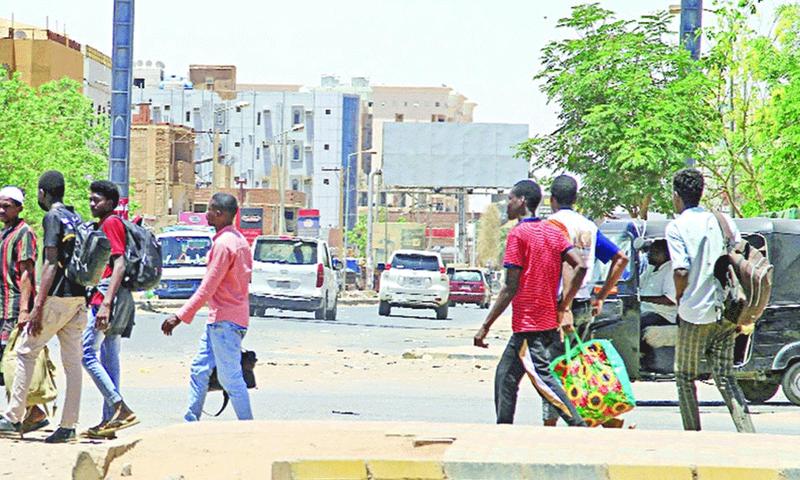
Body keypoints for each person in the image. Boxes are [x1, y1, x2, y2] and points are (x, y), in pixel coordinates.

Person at [473, 180, 587, 427]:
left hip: (530, 323)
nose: (508, 204)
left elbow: (510, 286)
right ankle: (504, 429)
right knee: (506, 376)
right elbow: (581, 264)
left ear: (522, 201)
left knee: (543, 379)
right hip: (543, 321)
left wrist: (486, 325)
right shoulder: (552, 231)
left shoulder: (518, 235)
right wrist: (563, 303)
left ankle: (578, 424)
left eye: (511, 199)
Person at [666, 168, 755, 433]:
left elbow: (680, 270)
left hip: (694, 313)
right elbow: (739, 254)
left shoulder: (676, 226)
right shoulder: (722, 220)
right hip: (726, 311)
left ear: (677, 196)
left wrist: (679, 299)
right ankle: (747, 433)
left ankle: (693, 436)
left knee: (684, 376)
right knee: (726, 377)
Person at [544, 174, 629, 427]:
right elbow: (620, 259)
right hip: (584, 303)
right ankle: (601, 415)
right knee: (579, 365)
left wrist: (563, 307)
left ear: (552, 200)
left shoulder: (550, 225)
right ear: (576, 199)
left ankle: (552, 424)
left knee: (552, 367)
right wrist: (601, 296)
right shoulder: (588, 226)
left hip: (560, 305)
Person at [161, 193, 253, 422]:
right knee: (199, 369)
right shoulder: (239, 240)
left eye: (210, 210)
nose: (206, 214)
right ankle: (190, 421)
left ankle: (249, 426)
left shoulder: (223, 244)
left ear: (220, 214)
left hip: (225, 321)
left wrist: (179, 316)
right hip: (223, 319)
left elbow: (208, 287)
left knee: (230, 377)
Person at [82, 180, 137, 439]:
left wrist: (105, 302)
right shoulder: (106, 223)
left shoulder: (111, 223)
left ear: (111, 203)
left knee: (86, 354)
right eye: (91, 199)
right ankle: (109, 422)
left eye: (97, 200)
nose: (92, 203)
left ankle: (119, 407)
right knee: (109, 358)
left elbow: (120, 264)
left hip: (105, 298)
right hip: (111, 297)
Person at [0, 186, 56, 439]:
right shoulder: (6, 233)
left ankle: (27, 413)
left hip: (13, 308)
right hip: (3, 306)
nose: (2, 210)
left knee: (11, 362)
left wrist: (25, 310)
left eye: (7, 205)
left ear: (19, 208)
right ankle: (29, 412)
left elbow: (26, 273)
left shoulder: (24, 233)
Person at [639, 239, 678, 367]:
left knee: (635, 324)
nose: (650, 254)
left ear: (665, 254)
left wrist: (643, 298)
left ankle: (640, 358)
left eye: (655, 252)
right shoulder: (651, 269)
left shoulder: (671, 270)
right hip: (645, 309)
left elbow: (670, 300)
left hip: (662, 314)